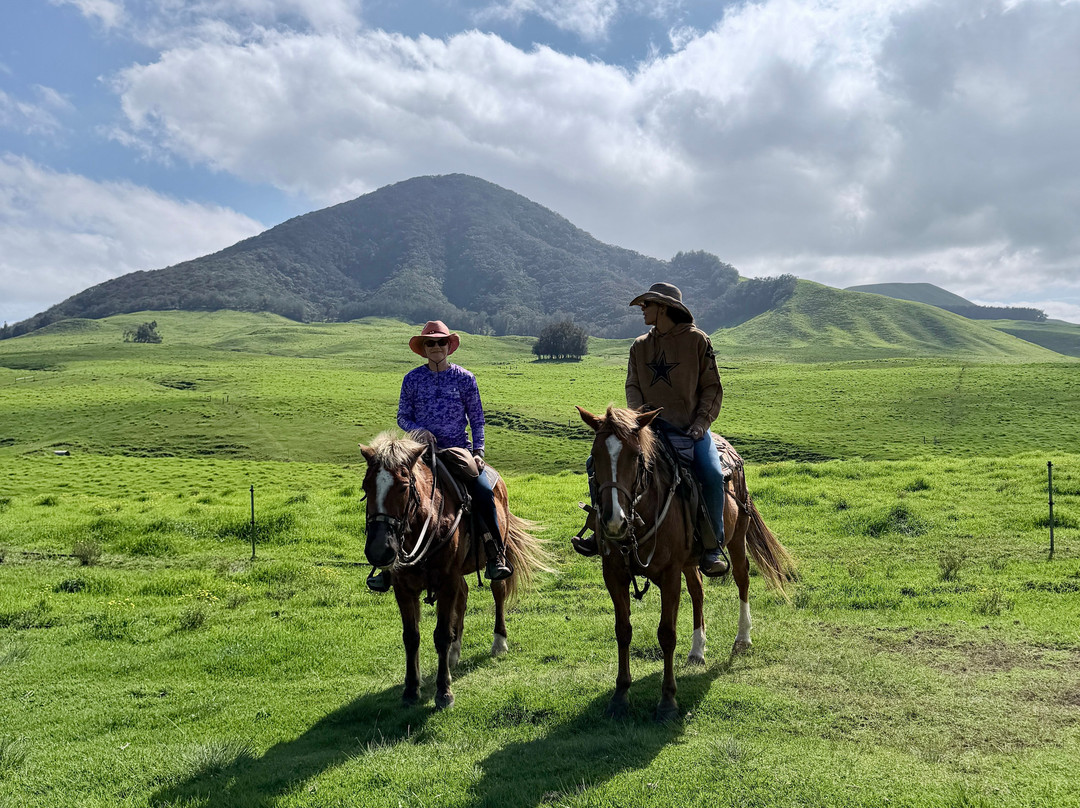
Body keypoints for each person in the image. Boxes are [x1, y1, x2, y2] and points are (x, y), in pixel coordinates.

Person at [574, 283, 729, 576]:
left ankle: (712, 547)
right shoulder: (639, 345)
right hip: (646, 429)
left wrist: (700, 425)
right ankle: (600, 530)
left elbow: (711, 388)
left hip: (689, 430)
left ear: (664, 308)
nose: (642, 309)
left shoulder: (698, 341)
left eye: (648, 304)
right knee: (595, 463)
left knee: (711, 473)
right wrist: (635, 420)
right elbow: (632, 384)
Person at [366, 320, 513, 592]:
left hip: (457, 448)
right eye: (430, 343)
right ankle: (385, 564)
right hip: (417, 452)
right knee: (388, 495)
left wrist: (478, 452)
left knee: (481, 489)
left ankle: (495, 554)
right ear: (423, 348)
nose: (436, 347)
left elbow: (477, 419)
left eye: (441, 342)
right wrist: (417, 429)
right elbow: (402, 415)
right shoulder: (411, 379)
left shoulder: (465, 378)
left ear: (449, 346)